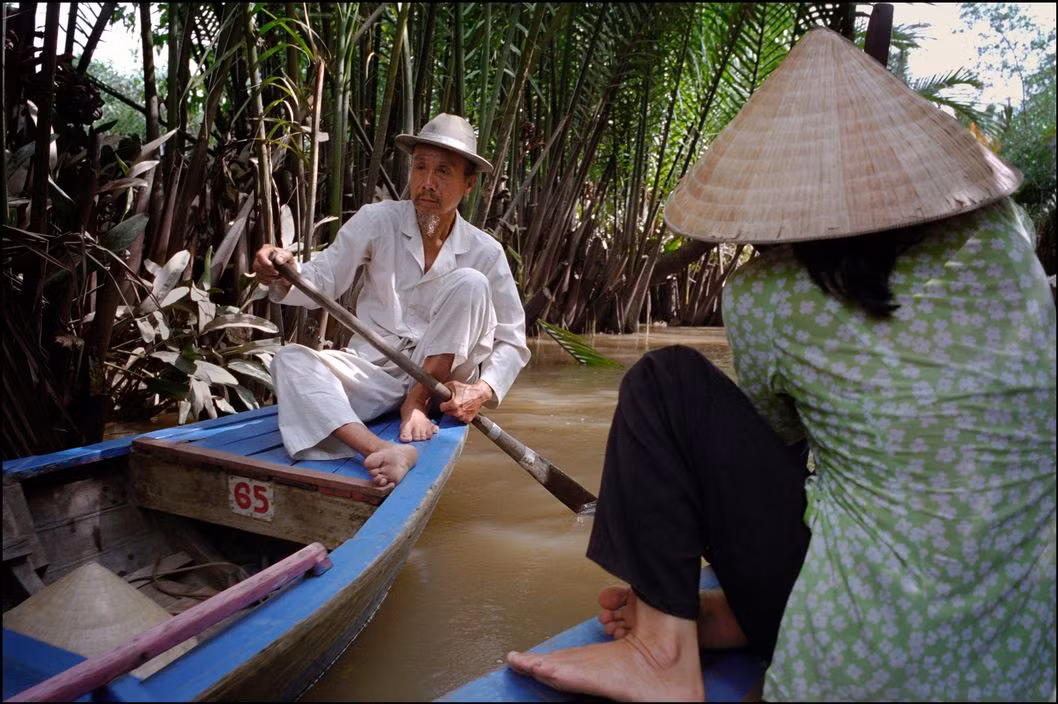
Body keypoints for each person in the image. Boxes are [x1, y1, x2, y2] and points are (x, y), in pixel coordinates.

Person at [506, 28, 1056, 701]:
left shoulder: (766, 299)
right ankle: (740, 619)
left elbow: (777, 443)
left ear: (778, 198)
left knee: (666, 382)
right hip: (1028, 657)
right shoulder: (1005, 243)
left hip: (847, 669)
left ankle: (660, 654)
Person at [253, 113, 530, 490]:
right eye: (420, 168)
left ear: (469, 184)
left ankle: (414, 404)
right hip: (377, 369)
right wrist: (284, 269)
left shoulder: (486, 252)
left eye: (443, 172)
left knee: (470, 282)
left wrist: (480, 392)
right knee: (289, 360)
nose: (427, 184)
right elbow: (322, 280)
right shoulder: (377, 221)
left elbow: (512, 341)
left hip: (442, 386)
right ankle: (382, 449)